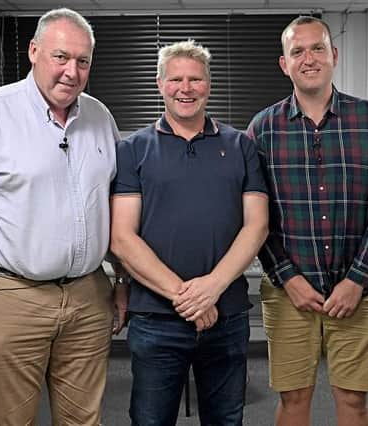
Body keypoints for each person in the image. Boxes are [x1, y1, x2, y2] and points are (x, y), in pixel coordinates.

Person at [0, 8, 121, 425]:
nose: (71, 71)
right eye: (61, 57)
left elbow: (113, 206)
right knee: (10, 420)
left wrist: (121, 281)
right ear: (33, 51)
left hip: (88, 296)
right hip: (10, 295)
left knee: (85, 420)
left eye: (82, 61)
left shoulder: (100, 118)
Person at [246, 16, 368, 426]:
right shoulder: (262, 130)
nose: (308, 58)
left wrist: (357, 280)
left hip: (357, 292)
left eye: (317, 49)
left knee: (353, 402)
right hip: (288, 293)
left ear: (334, 55)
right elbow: (254, 217)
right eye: (297, 51)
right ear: (284, 63)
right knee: (294, 399)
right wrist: (287, 277)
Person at [110, 39, 268, 426]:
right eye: (176, 79)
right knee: (150, 420)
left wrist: (212, 288)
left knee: (226, 420)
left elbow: (257, 224)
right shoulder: (132, 149)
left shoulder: (240, 146)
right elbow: (121, 238)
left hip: (226, 315)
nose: (186, 88)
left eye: (195, 79)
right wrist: (189, 298)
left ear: (208, 84)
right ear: (160, 84)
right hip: (156, 318)